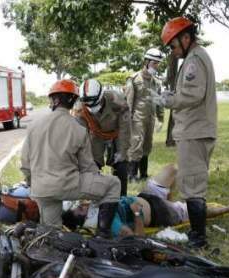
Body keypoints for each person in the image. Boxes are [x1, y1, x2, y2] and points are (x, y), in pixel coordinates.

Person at [20, 79, 121, 238]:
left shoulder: (33, 126)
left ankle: (53, 252)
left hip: (41, 190)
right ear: (74, 101)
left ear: (53, 99)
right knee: (114, 184)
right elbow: (88, 167)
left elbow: (25, 165)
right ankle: (103, 235)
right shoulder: (79, 129)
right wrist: (95, 189)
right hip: (68, 185)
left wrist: (34, 183)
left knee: (52, 233)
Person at [153, 16, 218, 248]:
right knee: (192, 181)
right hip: (194, 130)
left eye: (173, 45)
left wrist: (168, 100)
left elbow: (193, 94)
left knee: (192, 183)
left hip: (194, 131)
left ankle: (198, 238)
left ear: (186, 37)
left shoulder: (194, 59)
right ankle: (196, 232)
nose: (172, 51)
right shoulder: (195, 57)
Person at [62, 164, 229, 238]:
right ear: (82, 220)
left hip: (146, 196)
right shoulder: (108, 222)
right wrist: (136, 214)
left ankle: (171, 198)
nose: (83, 206)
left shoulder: (94, 207)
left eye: (79, 206)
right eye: (80, 210)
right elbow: (138, 238)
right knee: (199, 211)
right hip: (160, 213)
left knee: (172, 169)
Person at [74, 79, 132, 196]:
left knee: (121, 165)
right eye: (88, 104)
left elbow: (124, 129)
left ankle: (121, 197)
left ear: (101, 96)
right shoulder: (80, 109)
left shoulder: (118, 101)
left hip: (117, 134)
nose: (91, 107)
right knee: (92, 165)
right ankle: (94, 194)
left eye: (94, 103)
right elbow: (81, 135)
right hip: (96, 135)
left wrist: (121, 152)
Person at [124, 48, 165, 182]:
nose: (156, 66)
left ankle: (143, 174)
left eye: (158, 63)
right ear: (146, 61)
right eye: (154, 63)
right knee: (136, 145)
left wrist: (161, 118)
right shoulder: (134, 79)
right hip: (137, 118)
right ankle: (131, 175)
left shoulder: (156, 82)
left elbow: (159, 101)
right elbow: (128, 100)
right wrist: (127, 119)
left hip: (150, 119)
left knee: (147, 145)